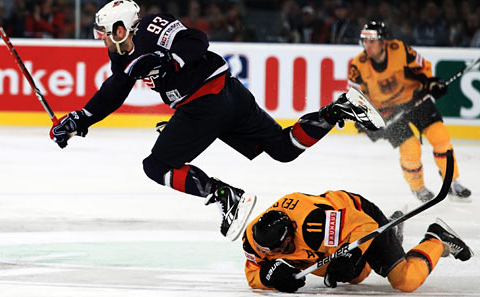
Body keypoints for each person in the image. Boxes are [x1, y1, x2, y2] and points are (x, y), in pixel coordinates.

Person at [50, 0, 382, 241]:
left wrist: (168, 61)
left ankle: (226, 197)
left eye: (105, 34)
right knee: (282, 148)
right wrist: (79, 119)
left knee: (157, 166)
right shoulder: (120, 52)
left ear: (121, 29)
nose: (103, 40)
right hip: (225, 95)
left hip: (206, 102)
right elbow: (115, 90)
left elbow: (196, 41)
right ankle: (339, 110)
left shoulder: (153, 26)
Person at [242, 191, 472, 293]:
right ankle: (394, 235)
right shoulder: (255, 239)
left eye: (286, 246)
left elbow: (364, 225)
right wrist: (270, 277)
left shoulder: (314, 225)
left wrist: (349, 254)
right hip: (331, 240)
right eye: (278, 252)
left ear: (291, 230)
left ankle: (437, 238)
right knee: (355, 275)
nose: (284, 252)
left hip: (360, 217)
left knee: (405, 280)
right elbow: (253, 273)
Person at [347, 20, 471, 202]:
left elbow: (423, 70)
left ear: (383, 42)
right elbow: (354, 97)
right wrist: (365, 121)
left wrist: (432, 83)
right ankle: (418, 187)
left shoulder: (400, 50)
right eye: (365, 41)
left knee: (440, 137)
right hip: (388, 113)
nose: (368, 46)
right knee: (410, 149)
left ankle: (452, 180)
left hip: (415, 99)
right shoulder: (359, 65)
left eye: (371, 41)